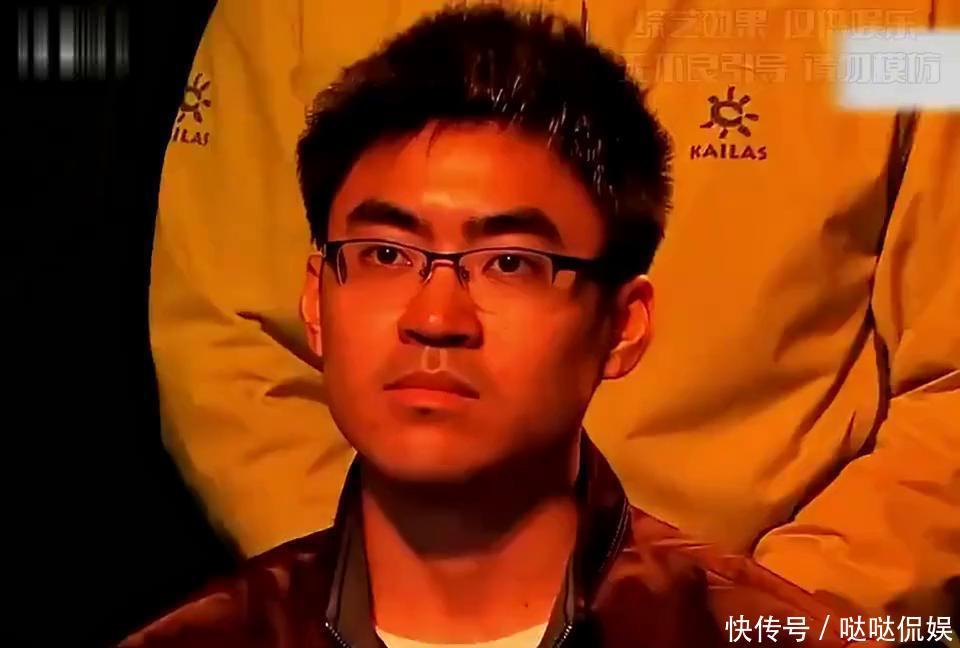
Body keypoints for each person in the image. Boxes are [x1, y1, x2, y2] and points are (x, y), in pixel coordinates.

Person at [150, 0, 959, 620]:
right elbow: (231, 341)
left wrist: (746, 615)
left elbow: (949, 387)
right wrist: (395, 602)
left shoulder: (896, 21)